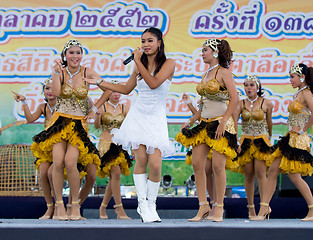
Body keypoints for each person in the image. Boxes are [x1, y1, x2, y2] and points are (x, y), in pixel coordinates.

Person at [85, 27, 175, 223]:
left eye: (150, 40)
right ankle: (143, 205)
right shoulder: (138, 65)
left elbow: (153, 83)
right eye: (143, 41)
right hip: (138, 115)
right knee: (141, 159)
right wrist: (100, 82)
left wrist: (137, 61)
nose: (145, 45)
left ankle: (152, 203)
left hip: (156, 117)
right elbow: (126, 88)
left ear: (159, 42)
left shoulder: (168, 63)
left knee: (156, 164)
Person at [31, 39, 111, 221]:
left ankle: (74, 205)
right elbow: (58, 93)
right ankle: (59, 206)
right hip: (59, 122)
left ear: (82, 55)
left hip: (78, 125)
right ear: (65, 55)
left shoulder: (87, 71)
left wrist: (93, 109)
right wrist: (55, 73)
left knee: (70, 162)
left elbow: (107, 89)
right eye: (71, 53)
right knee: (57, 162)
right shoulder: (60, 71)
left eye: (78, 52)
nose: (75, 56)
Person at [175, 38, 239, 222]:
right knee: (198, 164)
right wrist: (191, 120)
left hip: (220, 124)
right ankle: (203, 205)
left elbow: (234, 99)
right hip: (204, 123)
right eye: (202, 50)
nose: (202, 53)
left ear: (215, 52)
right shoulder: (206, 74)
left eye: (205, 50)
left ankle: (219, 207)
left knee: (218, 166)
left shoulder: (224, 72)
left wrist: (224, 121)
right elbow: (204, 104)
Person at [252, 63, 313, 221]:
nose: (290, 80)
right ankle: (264, 209)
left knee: (294, 176)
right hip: (290, 137)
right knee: (272, 170)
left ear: (302, 77)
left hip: (298, 139)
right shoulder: (298, 94)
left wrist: (303, 129)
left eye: (292, 77)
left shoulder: (306, 93)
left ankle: (312, 210)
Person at [12, 78, 57, 219]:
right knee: (43, 174)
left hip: (60, 144)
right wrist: (24, 102)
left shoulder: (63, 106)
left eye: (52, 88)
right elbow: (30, 119)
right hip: (45, 145)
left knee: (52, 174)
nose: (49, 91)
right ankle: (49, 208)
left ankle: (59, 206)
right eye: (46, 88)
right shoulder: (42, 107)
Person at [233, 75, 273, 219]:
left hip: (261, 140)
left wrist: (270, 138)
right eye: (246, 85)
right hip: (246, 141)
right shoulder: (240, 103)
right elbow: (234, 122)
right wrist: (236, 141)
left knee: (261, 174)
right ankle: (251, 209)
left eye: (251, 85)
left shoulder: (267, 103)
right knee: (249, 175)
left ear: (258, 87)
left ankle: (264, 207)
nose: (248, 88)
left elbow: (269, 123)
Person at [94, 89, 132, 220]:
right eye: (113, 92)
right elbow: (97, 126)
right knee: (115, 173)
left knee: (113, 177)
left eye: (118, 92)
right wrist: (98, 116)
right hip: (105, 144)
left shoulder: (124, 108)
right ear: (108, 94)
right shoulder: (103, 106)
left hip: (119, 145)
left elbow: (129, 127)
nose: (116, 94)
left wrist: (130, 146)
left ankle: (103, 207)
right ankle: (119, 208)